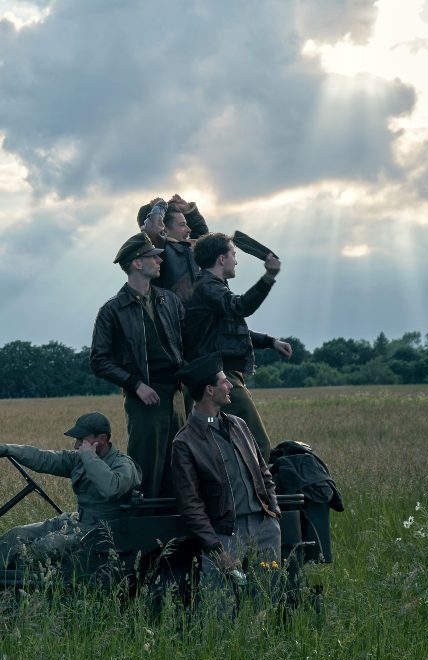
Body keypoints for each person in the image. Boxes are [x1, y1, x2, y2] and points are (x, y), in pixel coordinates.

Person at [171, 354, 281, 596]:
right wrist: (215, 549)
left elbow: (264, 472)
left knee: (267, 599)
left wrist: (272, 515)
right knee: (221, 611)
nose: (230, 385)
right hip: (225, 536)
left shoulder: (239, 425)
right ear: (210, 390)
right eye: (224, 381)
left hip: (264, 529)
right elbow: (190, 505)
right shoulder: (185, 442)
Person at [0, 412, 141, 570]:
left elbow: (111, 488)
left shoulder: (123, 464)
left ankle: (7, 585)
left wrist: (90, 458)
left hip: (98, 531)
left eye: (82, 439)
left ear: (103, 439)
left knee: (42, 549)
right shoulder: (82, 458)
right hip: (76, 521)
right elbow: (43, 458)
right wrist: (3, 449)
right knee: (17, 534)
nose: (76, 445)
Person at [90, 232, 185, 497]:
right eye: (152, 257)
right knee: (146, 471)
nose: (159, 261)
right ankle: (143, 533)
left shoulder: (169, 300)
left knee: (178, 467)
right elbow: (98, 361)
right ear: (137, 263)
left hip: (177, 395)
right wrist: (136, 385)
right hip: (145, 400)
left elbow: (186, 343)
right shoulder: (112, 310)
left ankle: (175, 535)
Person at [184, 233, 292, 455]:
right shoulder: (208, 287)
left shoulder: (211, 287)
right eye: (233, 254)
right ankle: (261, 489)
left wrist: (271, 342)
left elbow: (230, 331)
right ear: (222, 259)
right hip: (219, 374)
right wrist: (269, 276)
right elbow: (241, 307)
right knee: (258, 444)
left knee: (230, 444)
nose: (236, 260)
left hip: (220, 373)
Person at [152, 194, 209, 304]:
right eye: (182, 225)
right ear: (164, 229)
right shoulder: (160, 251)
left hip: (199, 316)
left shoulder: (188, 248)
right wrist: (157, 210)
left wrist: (189, 211)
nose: (188, 230)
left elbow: (206, 242)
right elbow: (151, 231)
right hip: (177, 318)